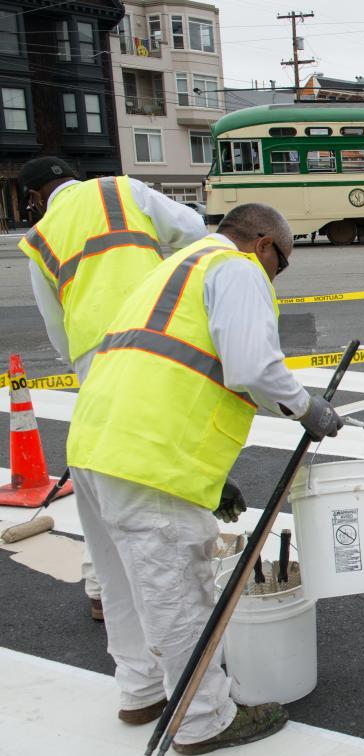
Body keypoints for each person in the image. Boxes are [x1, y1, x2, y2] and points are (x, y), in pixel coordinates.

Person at [64, 203, 344, 755]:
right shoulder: (238, 268)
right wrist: (307, 408)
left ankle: (141, 691)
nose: (275, 277)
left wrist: (210, 481)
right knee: (176, 587)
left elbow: (168, 366)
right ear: (264, 243)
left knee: (122, 582)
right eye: (281, 264)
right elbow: (252, 367)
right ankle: (203, 719)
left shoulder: (175, 266)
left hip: (96, 443)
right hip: (150, 456)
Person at [16, 156, 208, 622]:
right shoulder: (121, 190)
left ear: (35, 197)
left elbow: (55, 325)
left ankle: (101, 585)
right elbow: (195, 230)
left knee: (100, 466)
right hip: (155, 341)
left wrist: (81, 359)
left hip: (93, 359)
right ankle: (181, 580)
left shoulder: (38, 238)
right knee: (159, 457)